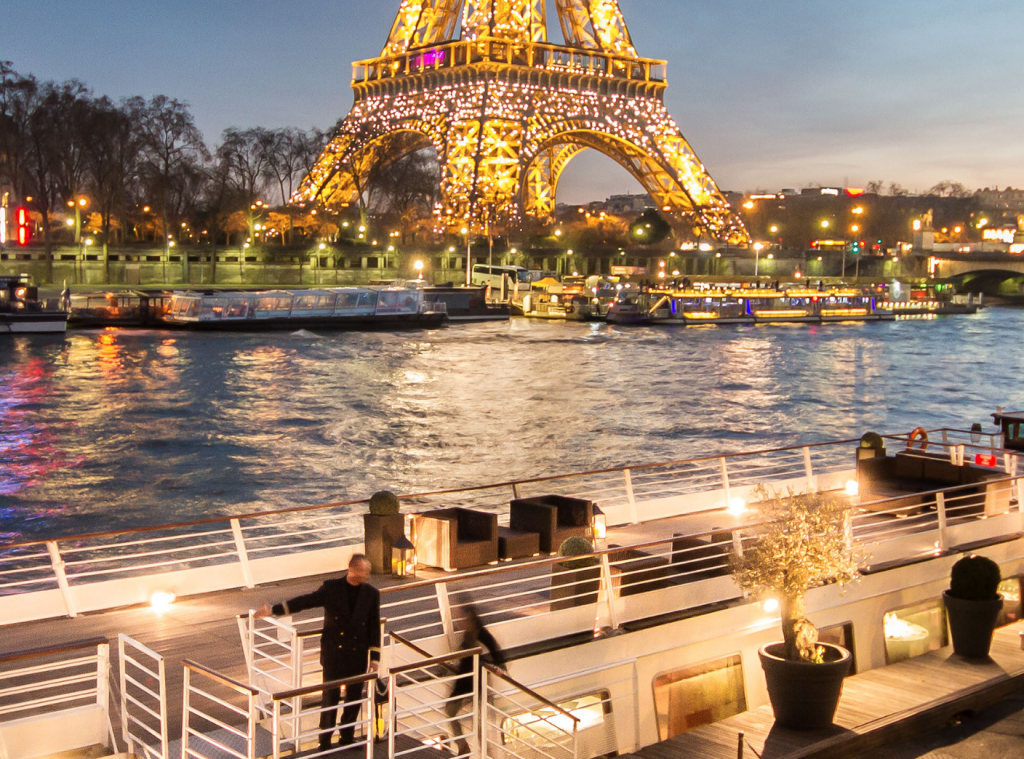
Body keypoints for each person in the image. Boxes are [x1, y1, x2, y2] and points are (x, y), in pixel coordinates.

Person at [256, 554, 381, 751]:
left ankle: (347, 737)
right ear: (352, 570)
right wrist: (274, 609)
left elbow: (374, 626)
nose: (366, 577)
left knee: (355, 697)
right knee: (330, 698)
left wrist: (375, 658)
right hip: (334, 655)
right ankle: (324, 740)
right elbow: (305, 602)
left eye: (367, 574)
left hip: (357, 655)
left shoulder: (371, 594)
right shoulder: (331, 588)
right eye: (363, 573)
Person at [445, 606, 507, 756]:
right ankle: (465, 746)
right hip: (465, 682)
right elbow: (465, 654)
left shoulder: (481, 634)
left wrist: (498, 668)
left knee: (477, 721)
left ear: (470, 618)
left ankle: (482, 752)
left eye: (463, 618)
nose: (461, 622)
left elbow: (496, 652)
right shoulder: (468, 634)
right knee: (452, 709)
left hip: (476, 682)